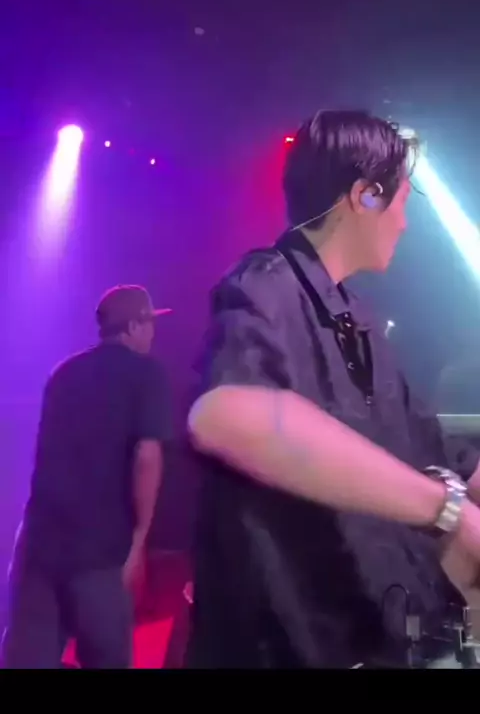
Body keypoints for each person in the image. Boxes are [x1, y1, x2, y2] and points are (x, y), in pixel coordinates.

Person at [187, 110, 480, 669]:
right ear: (366, 196)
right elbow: (225, 415)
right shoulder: (264, 284)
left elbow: (436, 450)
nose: (406, 224)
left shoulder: (358, 321)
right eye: (402, 202)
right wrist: (449, 512)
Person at [2, 285, 171, 669]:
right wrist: (139, 540)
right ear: (133, 326)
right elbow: (147, 456)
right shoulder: (147, 374)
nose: (152, 333)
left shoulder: (63, 374)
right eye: (149, 324)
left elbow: (44, 460)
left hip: (40, 546)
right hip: (101, 554)